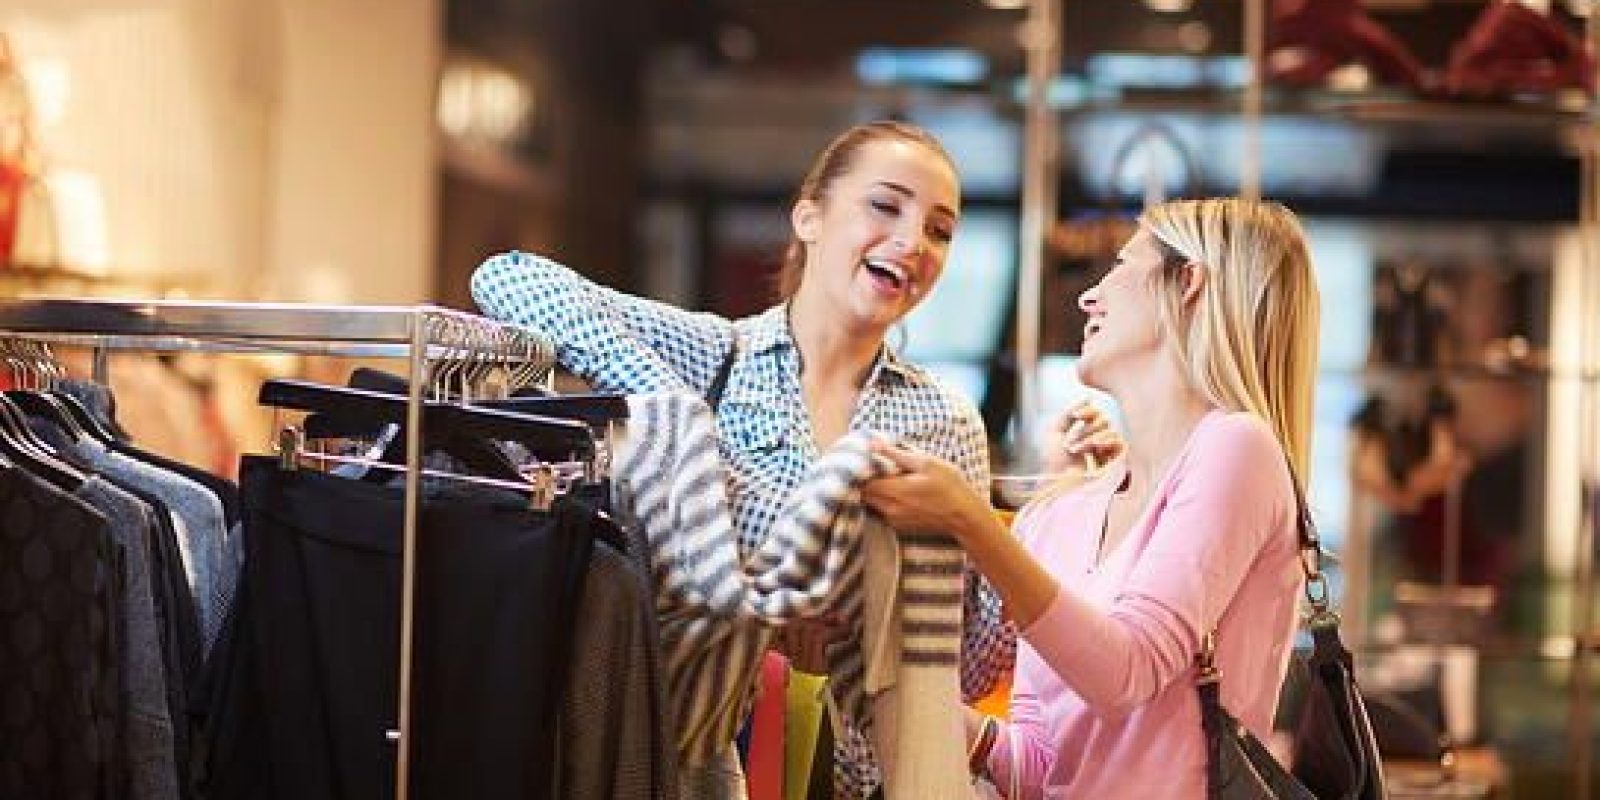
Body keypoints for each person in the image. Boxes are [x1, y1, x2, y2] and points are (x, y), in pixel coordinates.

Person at [471, 120, 1121, 799]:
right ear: (808, 217)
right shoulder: (714, 357)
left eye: (939, 230)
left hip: (854, 783)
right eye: (885, 205)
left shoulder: (941, 422)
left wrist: (1055, 502)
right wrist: (684, 420)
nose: (912, 243)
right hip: (698, 757)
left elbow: (972, 669)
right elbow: (509, 280)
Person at [862, 197, 1322, 798]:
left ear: (1188, 283)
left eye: (1121, 266)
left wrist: (970, 521)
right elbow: (1038, 769)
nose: (1088, 297)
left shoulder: (1238, 448)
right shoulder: (1062, 510)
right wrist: (890, 685)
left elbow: (1124, 670)